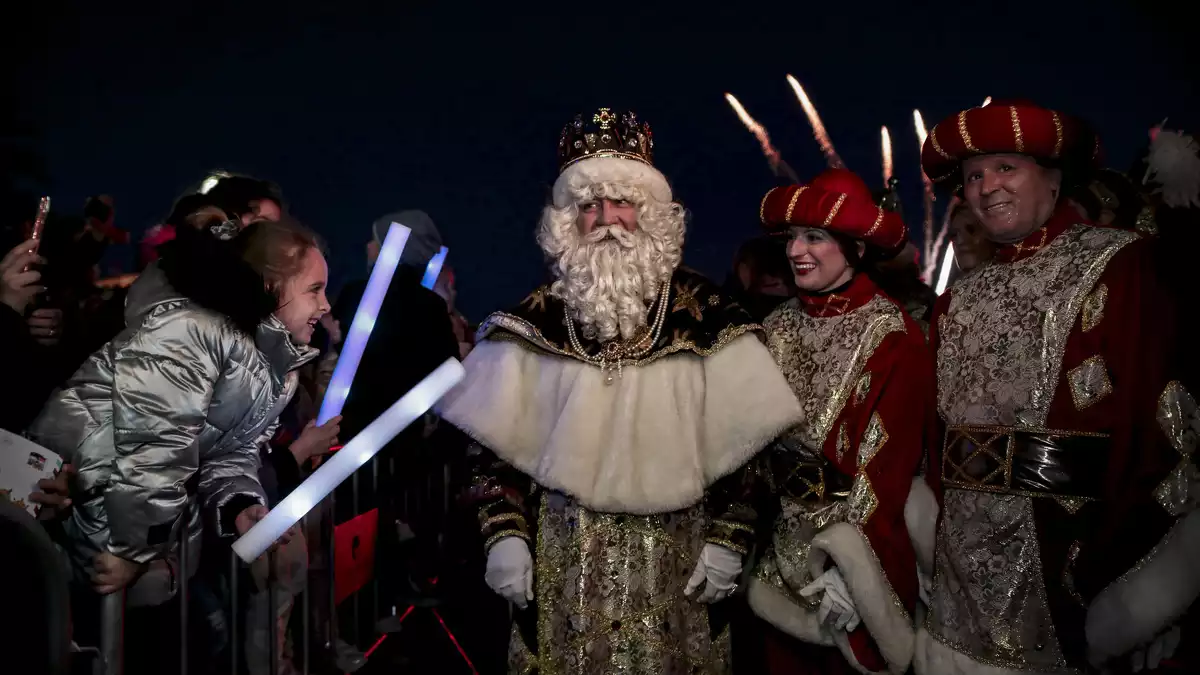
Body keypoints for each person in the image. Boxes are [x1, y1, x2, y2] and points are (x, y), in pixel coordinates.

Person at [435, 107, 803, 674]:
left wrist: (732, 536)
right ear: (568, 221)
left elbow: (754, 448)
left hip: (679, 558)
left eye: (622, 203)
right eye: (588, 206)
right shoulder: (533, 321)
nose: (606, 219)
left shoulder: (706, 315)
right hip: (565, 561)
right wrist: (502, 535)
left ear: (650, 213)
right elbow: (488, 450)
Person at [916, 100, 1197, 674]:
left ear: (1052, 176)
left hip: (1072, 569)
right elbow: (933, 438)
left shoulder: (1125, 266)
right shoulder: (958, 299)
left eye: (1005, 168)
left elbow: (1164, 430)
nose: (987, 187)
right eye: (973, 176)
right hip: (957, 587)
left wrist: (1145, 588)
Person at [28, 215, 328, 646]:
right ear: (269, 286)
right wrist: (131, 549)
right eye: (314, 289)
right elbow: (155, 444)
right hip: (63, 500)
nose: (326, 306)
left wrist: (241, 506)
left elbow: (233, 453)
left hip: (124, 518)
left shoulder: (274, 371)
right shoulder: (193, 330)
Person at [746, 168, 939, 674]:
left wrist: (854, 569)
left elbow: (888, 474)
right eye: (791, 237)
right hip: (774, 555)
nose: (794, 251)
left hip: (849, 560)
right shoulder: (775, 325)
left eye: (814, 237)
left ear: (855, 247)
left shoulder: (893, 336)